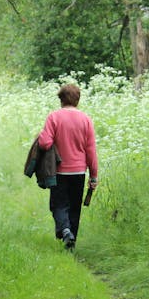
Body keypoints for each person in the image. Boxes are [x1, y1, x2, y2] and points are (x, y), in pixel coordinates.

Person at [36, 83, 99, 250]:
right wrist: (93, 176)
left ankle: (64, 231)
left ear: (61, 99)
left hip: (58, 172)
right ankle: (70, 245)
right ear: (77, 100)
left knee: (58, 205)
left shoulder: (54, 117)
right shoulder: (86, 119)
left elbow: (44, 143)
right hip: (79, 171)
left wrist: (43, 134)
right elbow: (91, 150)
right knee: (74, 208)